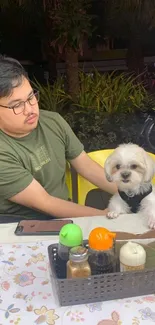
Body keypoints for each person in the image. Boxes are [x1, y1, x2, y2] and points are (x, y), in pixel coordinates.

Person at [0, 56, 117, 220]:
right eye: (17, 105)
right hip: (19, 226)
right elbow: (45, 202)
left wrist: (132, 193)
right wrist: (105, 216)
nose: (30, 110)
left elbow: (85, 166)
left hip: (63, 216)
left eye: (30, 97)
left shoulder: (52, 122)